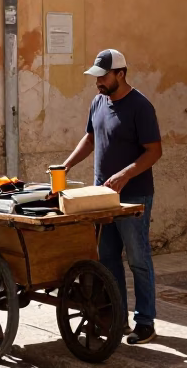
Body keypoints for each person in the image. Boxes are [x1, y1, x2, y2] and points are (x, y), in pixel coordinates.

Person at [59, 49, 163, 345]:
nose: (98, 82)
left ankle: (146, 322)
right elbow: (91, 138)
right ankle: (117, 316)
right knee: (106, 258)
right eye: (96, 77)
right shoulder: (98, 102)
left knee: (138, 258)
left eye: (103, 77)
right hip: (101, 197)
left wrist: (125, 174)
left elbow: (154, 151)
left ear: (121, 74)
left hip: (134, 197)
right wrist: (66, 165)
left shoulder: (141, 107)